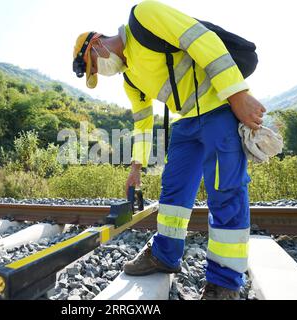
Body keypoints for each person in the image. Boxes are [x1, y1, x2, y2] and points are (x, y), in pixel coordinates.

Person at [72, 0, 266, 300]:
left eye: (96, 65)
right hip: (186, 124)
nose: (103, 71)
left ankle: (225, 282)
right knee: (173, 194)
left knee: (225, 191)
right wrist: (136, 167)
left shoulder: (144, 16)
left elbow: (203, 40)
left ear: (96, 44)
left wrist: (237, 95)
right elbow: (142, 122)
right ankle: (165, 255)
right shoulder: (130, 77)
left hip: (218, 108)